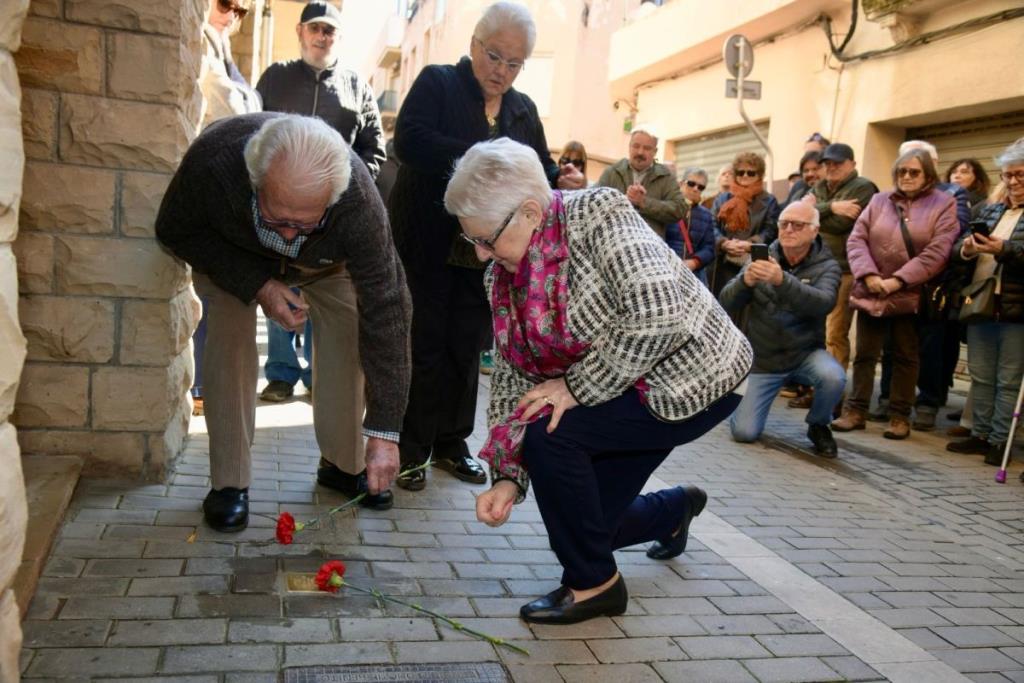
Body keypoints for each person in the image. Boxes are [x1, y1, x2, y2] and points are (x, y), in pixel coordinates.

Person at [447, 138, 752, 625]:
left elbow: (661, 315)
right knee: (590, 524)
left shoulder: (598, 213)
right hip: (625, 384)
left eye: (487, 239)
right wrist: (507, 474)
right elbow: (512, 375)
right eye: (472, 242)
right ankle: (675, 509)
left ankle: (595, 585)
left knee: (554, 435)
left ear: (529, 210)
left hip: (694, 377)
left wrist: (573, 390)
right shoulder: (502, 276)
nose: (482, 255)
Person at [156, 113, 412, 531]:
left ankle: (342, 464)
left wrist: (386, 431)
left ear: (334, 196)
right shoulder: (214, 165)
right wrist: (258, 283)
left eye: (307, 222)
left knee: (352, 324)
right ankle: (229, 483)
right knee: (229, 328)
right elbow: (174, 229)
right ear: (254, 183)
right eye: (280, 220)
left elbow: (389, 310)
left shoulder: (357, 202)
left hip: (326, 264)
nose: (291, 237)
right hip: (234, 255)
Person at [388, 2, 586, 493]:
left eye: (514, 63)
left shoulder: (522, 109)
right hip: (430, 246)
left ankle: (453, 444)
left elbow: (538, 167)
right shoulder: (437, 82)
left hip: (492, 258)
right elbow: (409, 142)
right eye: (495, 56)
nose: (502, 71)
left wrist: (563, 177)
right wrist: (482, 161)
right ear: (475, 44)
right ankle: (411, 452)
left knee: (466, 349)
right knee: (424, 346)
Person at [255, 0, 387, 403]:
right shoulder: (275, 77)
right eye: (315, 28)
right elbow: (250, 127)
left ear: (338, 38)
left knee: (322, 286)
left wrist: (346, 189)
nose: (322, 36)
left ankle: (317, 375)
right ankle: (280, 374)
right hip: (277, 208)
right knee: (280, 280)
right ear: (300, 32)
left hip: (331, 213)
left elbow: (374, 150)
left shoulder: (355, 86)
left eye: (330, 30)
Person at [832, 148, 959, 440]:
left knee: (905, 355)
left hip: (909, 292)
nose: (907, 177)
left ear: (928, 174)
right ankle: (855, 411)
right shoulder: (879, 200)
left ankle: (900, 416)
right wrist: (869, 274)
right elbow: (857, 239)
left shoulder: (944, 203)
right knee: (865, 354)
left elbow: (937, 252)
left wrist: (898, 281)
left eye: (914, 172)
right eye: (902, 171)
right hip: (871, 288)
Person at [721, 202, 844, 457]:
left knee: (834, 377)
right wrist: (745, 282)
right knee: (744, 433)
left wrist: (781, 280)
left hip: (805, 354)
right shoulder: (763, 256)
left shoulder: (827, 265)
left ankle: (819, 424)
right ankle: (738, 403)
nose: (789, 229)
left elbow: (823, 303)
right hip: (764, 360)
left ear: (814, 230)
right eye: (783, 224)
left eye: (797, 225)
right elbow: (725, 302)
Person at [193, 0, 262, 416]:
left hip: (226, 188)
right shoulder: (199, 40)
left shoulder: (222, 47)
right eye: (226, 4)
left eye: (242, 11)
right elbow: (233, 109)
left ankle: (205, 388)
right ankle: (202, 387)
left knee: (218, 300)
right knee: (210, 297)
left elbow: (245, 107)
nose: (233, 15)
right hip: (206, 188)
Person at [945, 142, 1024, 463]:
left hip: (1016, 310)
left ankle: (998, 440)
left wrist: (1002, 250)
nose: (1013, 182)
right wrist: (967, 250)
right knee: (981, 375)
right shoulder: (989, 210)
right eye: (1007, 176)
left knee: (1008, 380)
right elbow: (955, 252)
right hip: (979, 304)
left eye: (1020, 175)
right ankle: (979, 433)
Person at [802, 143, 878, 377]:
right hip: (815, 266)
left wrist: (816, 212)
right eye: (828, 163)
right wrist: (833, 207)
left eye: (838, 163)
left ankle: (832, 391)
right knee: (814, 331)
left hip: (845, 270)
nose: (832, 167)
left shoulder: (863, 187)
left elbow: (843, 224)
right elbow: (801, 215)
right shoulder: (820, 186)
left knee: (835, 333)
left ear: (852, 164)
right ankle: (813, 384)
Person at [709, 152, 781, 299]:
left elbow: (771, 230)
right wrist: (724, 243)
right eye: (741, 172)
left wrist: (749, 244)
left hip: (753, 263)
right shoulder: (723, 198)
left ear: (760, 175)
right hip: (723, 262)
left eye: (751, 172)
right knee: (723, 302)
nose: (745, 176)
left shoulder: (769, 201)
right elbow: (712, 225)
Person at [596, 128, 685, 238]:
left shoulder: (666, 177)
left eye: (647, 148)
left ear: (655, 152)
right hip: (614, 244)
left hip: (650, 249)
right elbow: (594, 204)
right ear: (629, 147)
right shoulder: (612, 172)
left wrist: (644, 202)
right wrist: (622, 199)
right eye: (636, 146)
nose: (640, 152)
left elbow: (679, 209)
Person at [664, 167, 715, 286]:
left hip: (692, 275)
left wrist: (695, 262)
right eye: (691, 184)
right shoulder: (667, 207)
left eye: (701, 187)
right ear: (681, 184)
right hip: (666, 269)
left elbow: (710, 248)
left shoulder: (706, 215)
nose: (695, 189)